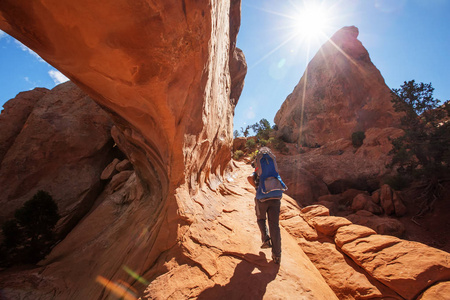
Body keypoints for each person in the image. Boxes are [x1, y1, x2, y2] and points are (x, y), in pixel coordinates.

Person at [247, 147, 287, 264]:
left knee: (261, 218)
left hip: (262, 198)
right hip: (276, 196)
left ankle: (265, 239)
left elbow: (249, 178)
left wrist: (256, 187)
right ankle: (277, 256)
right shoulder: (273, 165)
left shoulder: (258, 167)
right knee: (274, 226)